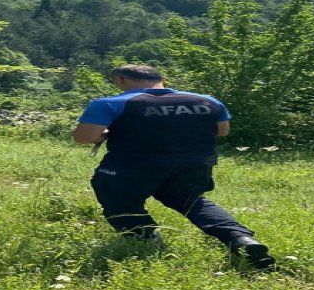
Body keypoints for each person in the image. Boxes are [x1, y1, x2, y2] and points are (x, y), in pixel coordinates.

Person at [72, 64, 275, 270]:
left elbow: (84, 137)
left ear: (120, 79)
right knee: (190, 201)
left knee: (117, 198)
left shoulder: (110, 103)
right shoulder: (207, 101)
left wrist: (109, 133)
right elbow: (222, 131)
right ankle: (240, 239)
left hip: (132, 167)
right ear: (162, 79)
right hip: (193, 165)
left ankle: (145, 239)